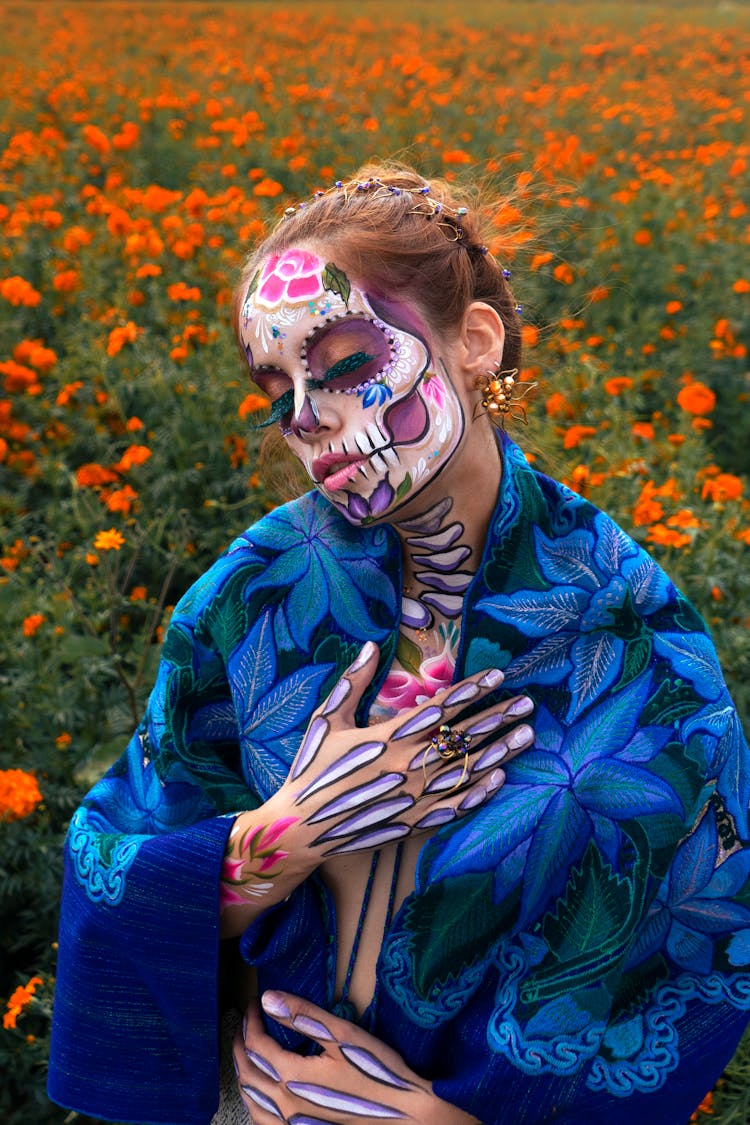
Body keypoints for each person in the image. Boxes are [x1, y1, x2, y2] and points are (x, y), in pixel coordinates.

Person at [48, 163, 750, 1125]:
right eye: (278, 387)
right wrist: (292, 831)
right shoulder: (250, 602)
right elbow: (115, 880)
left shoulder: (630, 636)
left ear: (474, 342)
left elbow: (689, 954)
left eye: (342, 365)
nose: (305, 415)